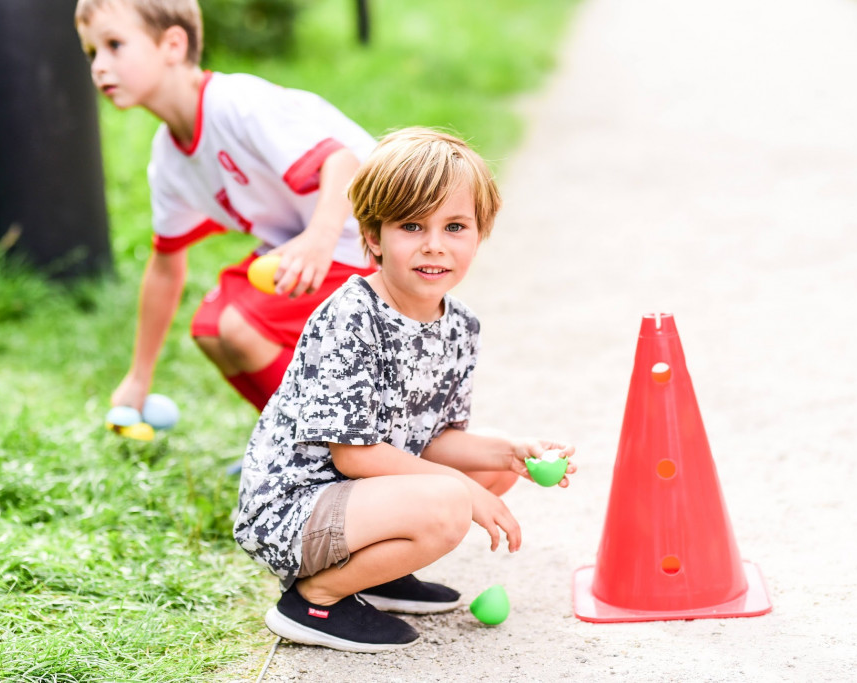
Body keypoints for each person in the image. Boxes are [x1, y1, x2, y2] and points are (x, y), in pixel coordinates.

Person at [233, 128, 577, 652]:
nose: (434, 245)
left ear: (479, 234)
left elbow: (433, 439)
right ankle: (316, 599)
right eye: (411, 226)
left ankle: (374, 574)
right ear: (373, 237)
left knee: (487, 469)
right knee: (449, 499)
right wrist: (463, 494)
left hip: (357, 503)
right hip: (293, 510)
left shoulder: (460, 325)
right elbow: (352, 456)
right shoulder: (352, 317)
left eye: (455, 226)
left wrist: (511, 452)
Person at [75, 0, 377, 413]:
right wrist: (139, 376)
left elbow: (345, 162)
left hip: (373, 232)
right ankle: (288, 445)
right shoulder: (168, 159)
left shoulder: (236, 102)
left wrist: (316, 243)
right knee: (211, 329)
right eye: (92, 52)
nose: (99, 66)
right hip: (316, 241)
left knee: (241, 325)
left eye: (114, 45)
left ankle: (344, 442)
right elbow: (165, 266)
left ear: (173, 45)